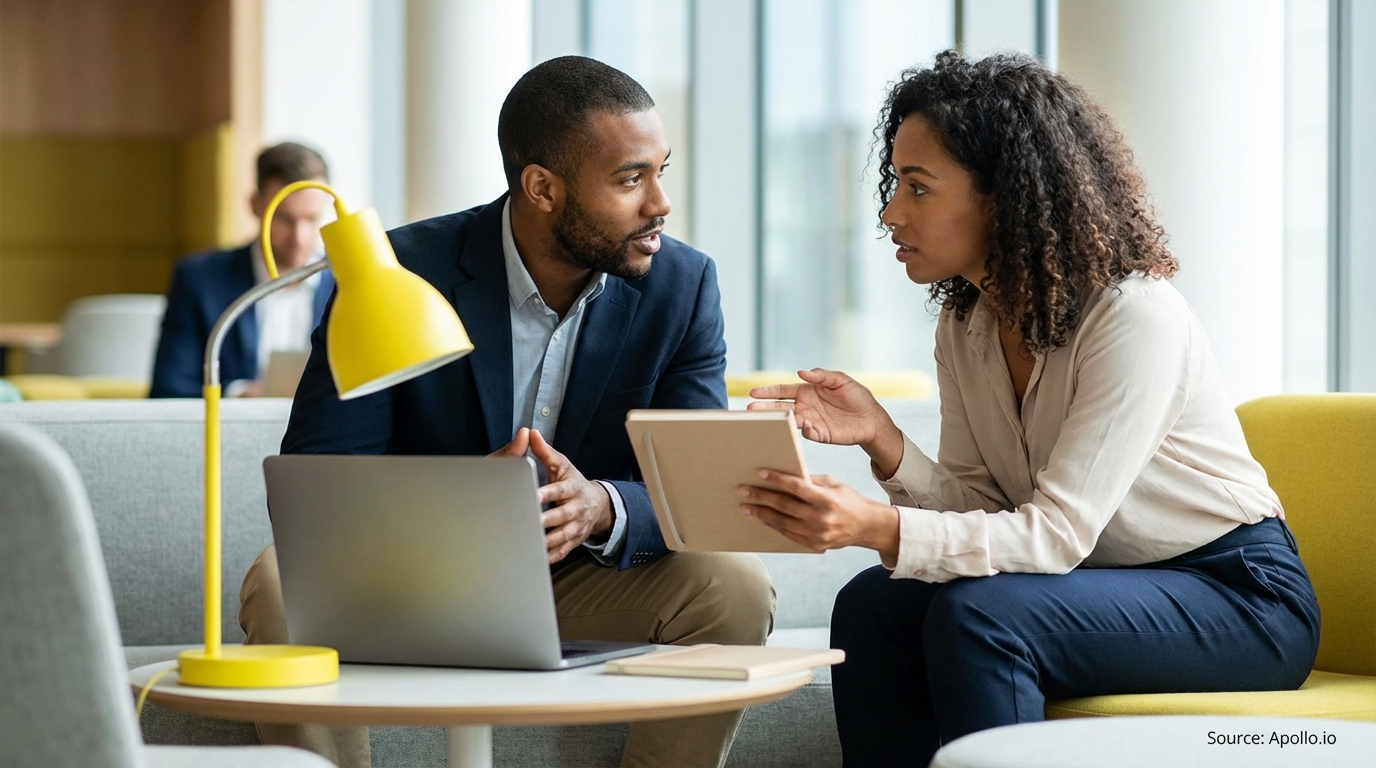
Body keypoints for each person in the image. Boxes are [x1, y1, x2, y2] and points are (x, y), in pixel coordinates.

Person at [740, 51, 1319, 767]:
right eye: (895, 184)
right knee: (875, 604)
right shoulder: (966, 325)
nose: (890, 213)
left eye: (917, 188)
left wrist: (878, 526)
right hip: (1098, 584)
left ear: (1003, 196)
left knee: (980, 616)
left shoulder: (1134, 318)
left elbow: (1052, 537)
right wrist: (885, 440)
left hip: (1236, 597)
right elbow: (982, 506)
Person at [238, 56, 775, 768]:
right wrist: (466, 505)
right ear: (542, 187)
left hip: (584, 577)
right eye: (630, 178)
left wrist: (603, 507)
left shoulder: (682, 286)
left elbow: (695, 490)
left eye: (661, 171)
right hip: (414, 573)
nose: (660, 204)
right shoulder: (396, 275)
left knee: (733, 584)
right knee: (279, 584)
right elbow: (318, 478)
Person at [149, 142, 336, 398]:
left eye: (312, 219)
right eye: (284, 218)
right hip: (232, 431)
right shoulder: (200, 280)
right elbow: (169, 388)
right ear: (254, 205)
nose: (299, 237)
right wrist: (239, 395)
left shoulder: (347, 280)